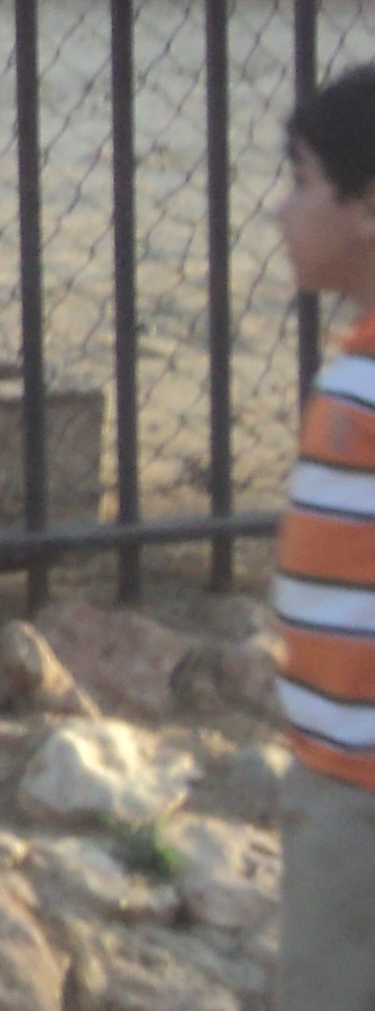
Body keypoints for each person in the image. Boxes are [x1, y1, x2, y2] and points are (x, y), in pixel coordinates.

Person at [277, 64, 375, 1011]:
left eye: (303, 180)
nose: (282, 209)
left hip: (359, 786)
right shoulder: (355, 361)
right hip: (333, 761)